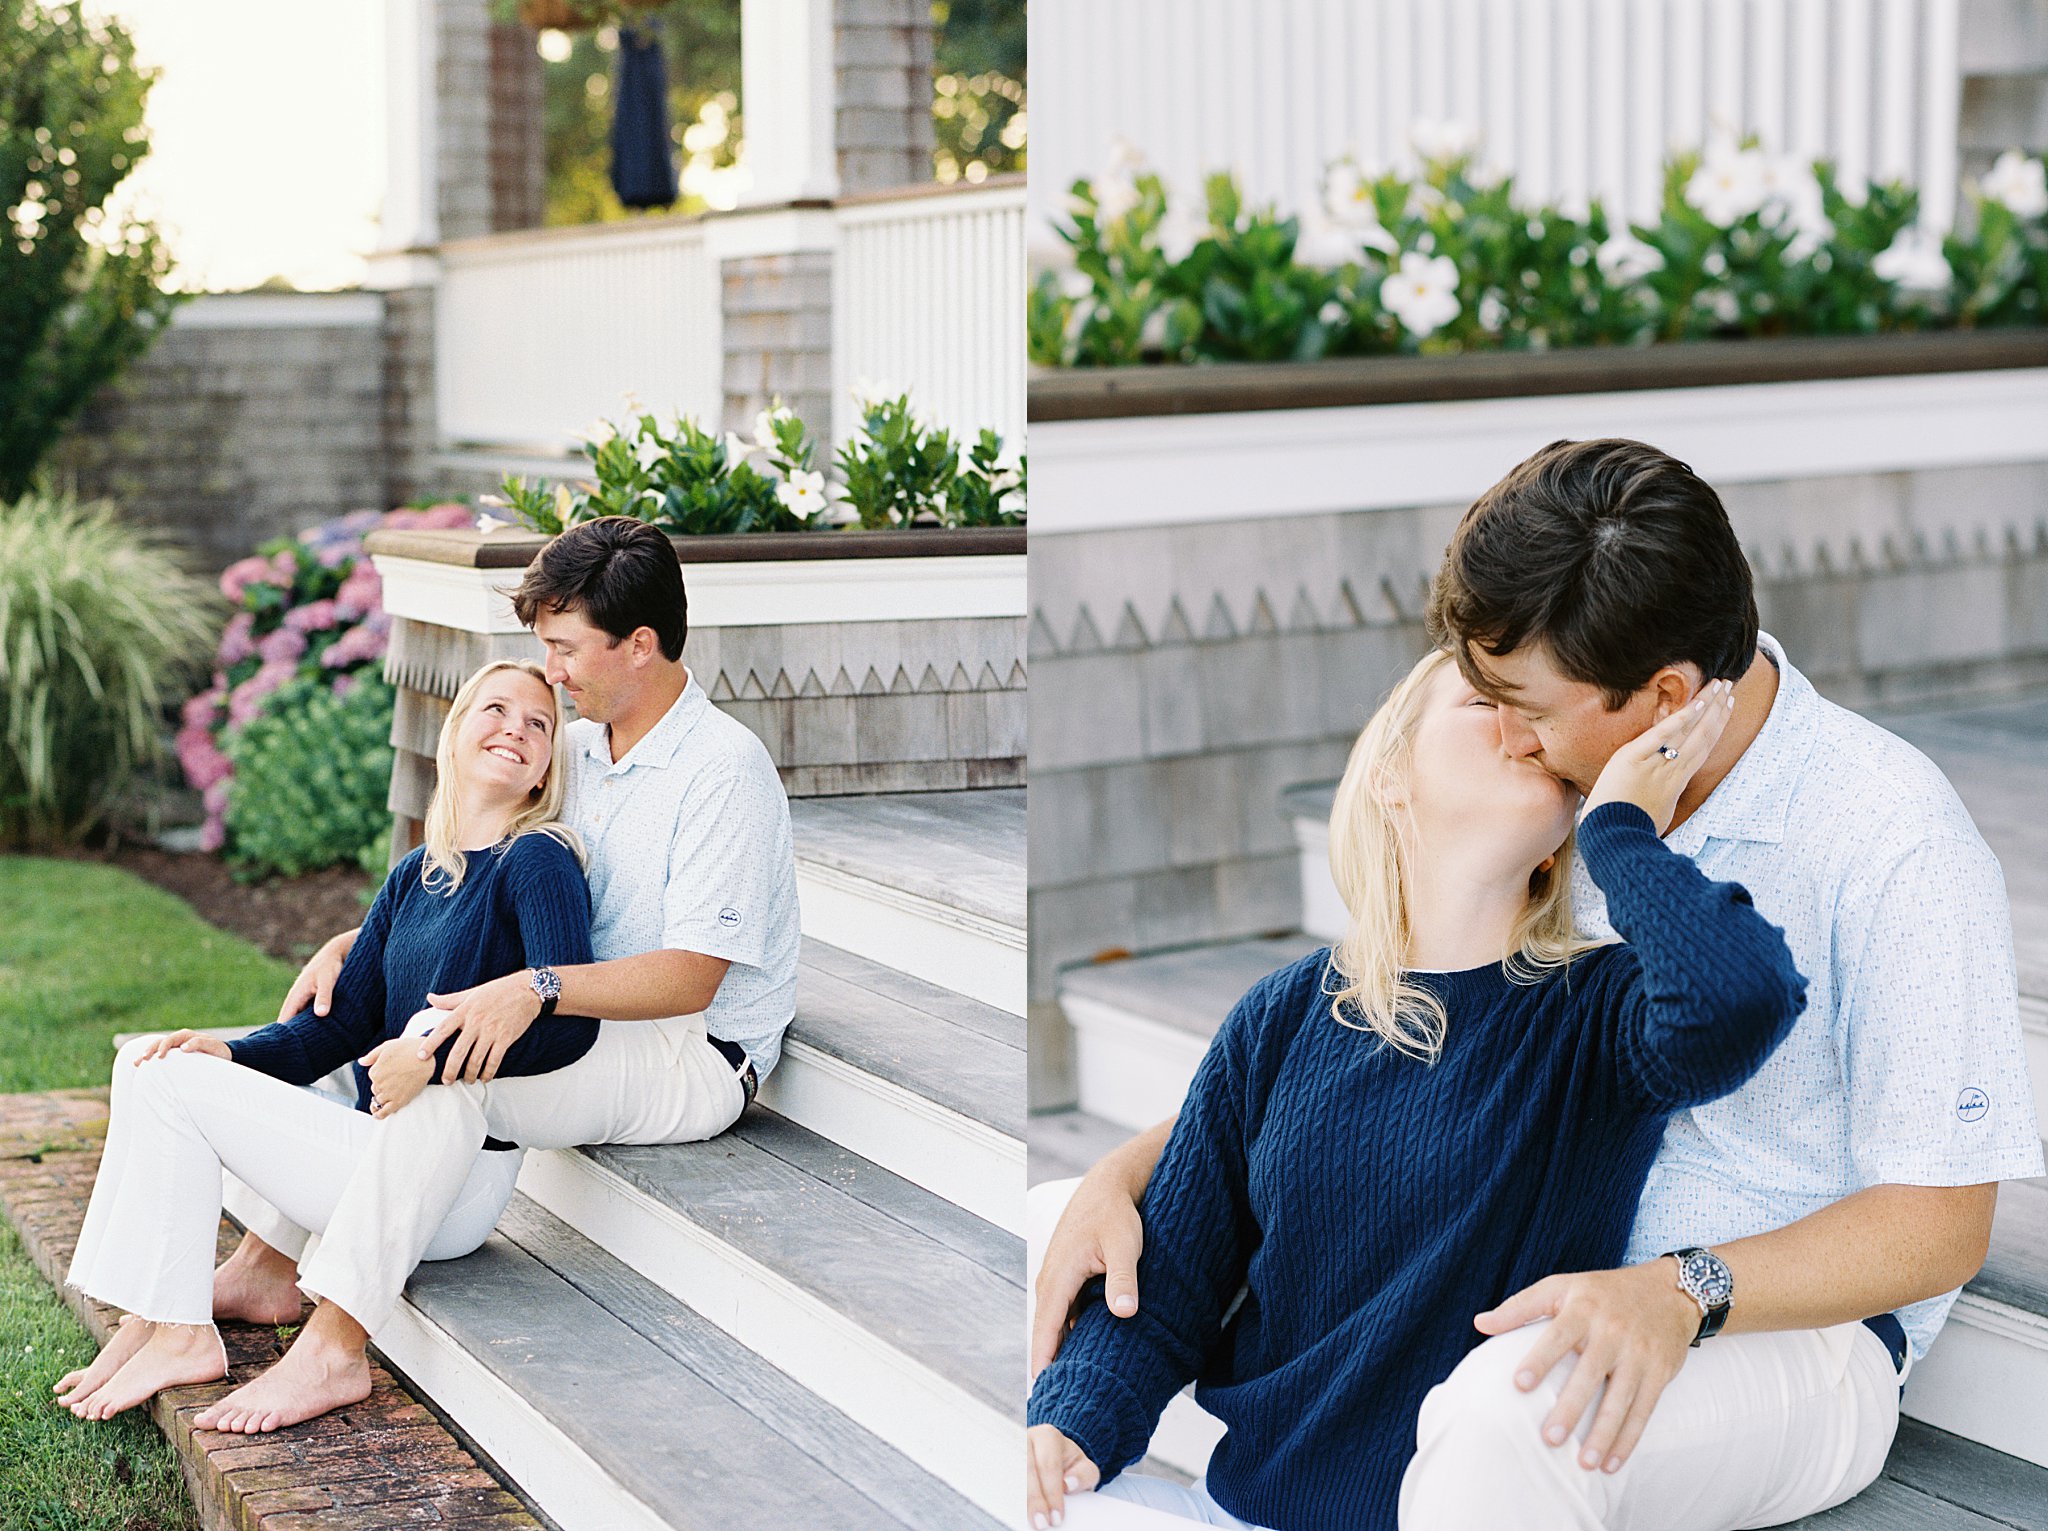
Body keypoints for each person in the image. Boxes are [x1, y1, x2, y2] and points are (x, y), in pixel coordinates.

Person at [1030, 438, 2045, 1529]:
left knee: (1508, 1410)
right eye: (1479, 695)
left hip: (1768, 1330)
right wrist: (1138, 1167)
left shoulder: (1888, 839)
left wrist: (1678, 1289)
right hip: (1525, 1289)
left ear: (1660, 702)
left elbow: (1937, 1226)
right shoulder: (1541, 806)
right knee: (1053, 1237)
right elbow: (1361, 1059)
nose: (1509, 736)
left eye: (1522, 706)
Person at [1026, 648, 1807, 1531]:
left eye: (1540, 724)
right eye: (1486, 703)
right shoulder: (1283, 1014)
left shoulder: (1593, 1016)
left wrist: (1622, 829)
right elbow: (1168, 1284)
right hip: (1229, 1510)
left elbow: (1742, 996)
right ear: (1393, 775)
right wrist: (1070, 1424)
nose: (1523, 732)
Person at [183, 514, 802, 1433]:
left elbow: (691, 981)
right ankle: (269, 1264)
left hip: (694, 1053)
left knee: (446, 1062)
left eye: (564, 648)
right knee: (380, 1024)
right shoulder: (581, 744)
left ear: (639, 645)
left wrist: (532, 989)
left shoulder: (724, 769)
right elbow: (475, 859)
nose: (549, 672)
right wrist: (358, 944)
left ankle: (334, 1345)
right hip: (594, 1019)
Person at [56, 659, 599, 1424]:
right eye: (497, 708)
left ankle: (175, 1332)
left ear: (544, 771)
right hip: (376, 1153)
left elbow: (570, 1021)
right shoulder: (416, 875)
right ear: (452, 737)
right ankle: (153, 1315)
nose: (516, 727)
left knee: (168, 1084)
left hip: (449, 1185)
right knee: (150, 1062)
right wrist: (236, 1053)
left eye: (539, 723)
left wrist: (435, 1059)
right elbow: (338, 1027)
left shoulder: (538, 860)